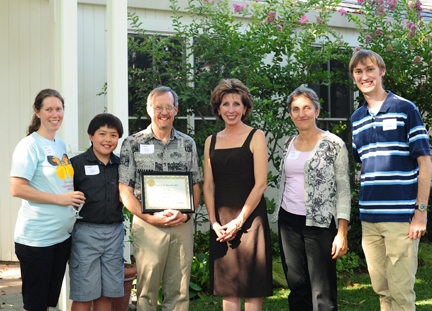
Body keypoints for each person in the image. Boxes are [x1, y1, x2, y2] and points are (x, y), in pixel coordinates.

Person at [349, 49, 431, 310]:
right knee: (383, 291)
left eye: (370, 69)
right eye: (359, 71)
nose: (365, 76)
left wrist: (420, 212)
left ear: (381, 71)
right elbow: (364, 164)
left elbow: (425, 162)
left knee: (401, 292)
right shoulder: (356, 119)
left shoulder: (405, 109)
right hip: (369, 219)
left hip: (400, 218)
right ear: (354, 77)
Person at [118, 86, 202, 311]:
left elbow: (196, 184)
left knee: (180, 290)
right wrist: (150, 218)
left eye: (168, 107)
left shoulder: (188, 143)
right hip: (147, 225)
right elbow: (124, 190)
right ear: (149, 109)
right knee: (147, 290)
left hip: (181, 223)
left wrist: (186, 214)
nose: (163, 112)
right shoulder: (132, 143)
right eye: (158, 107)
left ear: (176, 110)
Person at [272, 86, 351, 311]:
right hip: (289, 222)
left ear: (317, 111)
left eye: (307, 108)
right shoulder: (288, 144)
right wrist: (280, 220)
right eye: (296, 109)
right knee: (297, 286)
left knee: (322, 290)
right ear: (290, 114)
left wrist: (341, 232)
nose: (301, 113)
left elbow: (344, 189)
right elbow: (284, 182)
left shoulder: (334, 144)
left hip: (320, 224)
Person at [10, 89, 86, 311]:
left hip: (60, 237)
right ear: (37, 111)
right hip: (37, 239)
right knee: (35, 305)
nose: (55, 114)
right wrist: (60, 200)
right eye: (49, 109)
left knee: (46, 303)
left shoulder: (59, 145)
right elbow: (17, 188)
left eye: (59, 109)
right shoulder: (28, 145)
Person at [203, 78, 273, 311]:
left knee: (253, 290)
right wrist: (214, 223)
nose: (231, 109)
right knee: (228, 289)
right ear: (218, 109)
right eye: (225, 104)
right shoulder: (210, 141)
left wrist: (239, 221)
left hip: (251, 220)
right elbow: (209, 186)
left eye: (236, 104)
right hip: (222, 224)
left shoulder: (256, 136)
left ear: (245, 108)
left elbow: (260, 185)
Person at [69, 113, 124, 311]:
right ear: (91, 136)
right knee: (84, 295)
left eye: (113, 135)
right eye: (102, 134)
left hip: (114, 233)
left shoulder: (122, 166)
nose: (107, 140)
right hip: (85, 233)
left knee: (105, 294)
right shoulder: (76, 164)